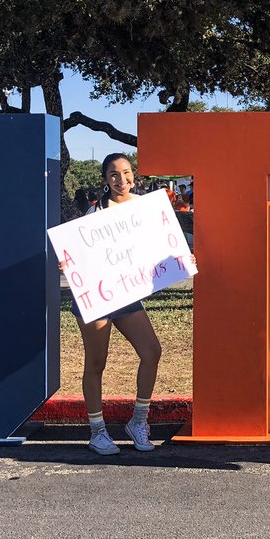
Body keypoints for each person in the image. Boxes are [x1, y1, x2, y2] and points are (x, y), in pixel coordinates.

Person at [65, 154, 166, 456]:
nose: (121, 180)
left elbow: (160, 248)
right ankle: (97, 432)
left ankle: (138, 421)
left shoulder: (146, 208)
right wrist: (66, 263)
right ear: (105, 179)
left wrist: (181, 260)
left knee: (151, 351)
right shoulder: (94, 213)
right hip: (96, 294)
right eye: (113, 174)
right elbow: (75, 251)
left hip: (126, 292)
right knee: (96, 363)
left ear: (134, 174)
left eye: (126, 172)